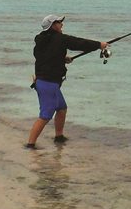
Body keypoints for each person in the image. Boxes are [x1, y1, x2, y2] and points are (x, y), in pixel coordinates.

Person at [25, 14, 109, 148]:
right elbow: (79, 43)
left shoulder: (41, 40)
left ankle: (59, 137)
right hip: (48, 83)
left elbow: (44, 57)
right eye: (59, 22)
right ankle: (30, 145)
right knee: (45, 116)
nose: (62, 25)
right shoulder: (60, 39)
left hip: (44, 81)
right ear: (53, 25)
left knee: (62, 108)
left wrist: (62, 59)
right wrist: (99, 45)